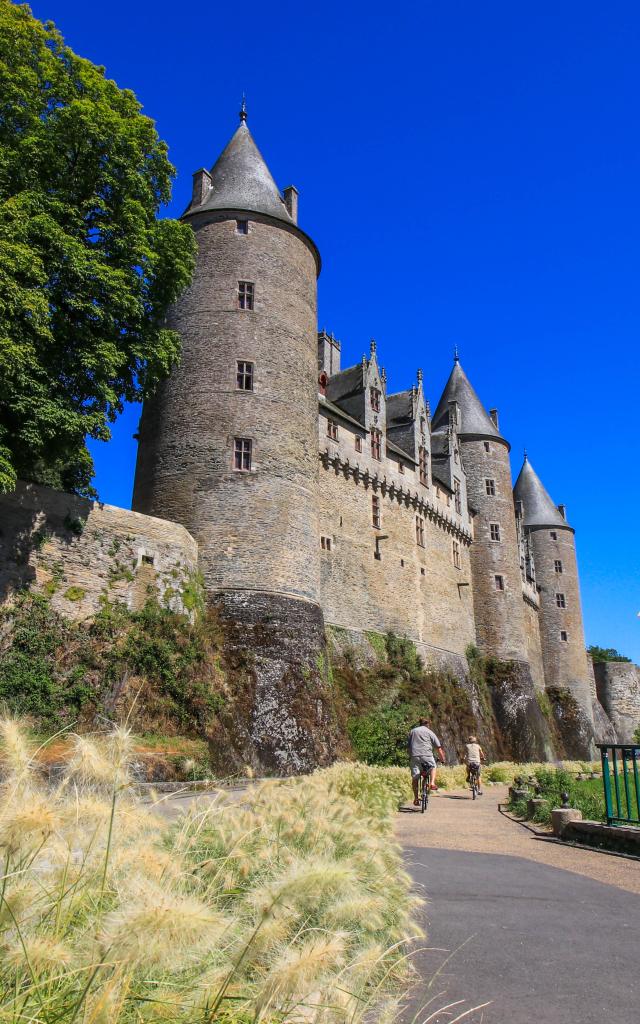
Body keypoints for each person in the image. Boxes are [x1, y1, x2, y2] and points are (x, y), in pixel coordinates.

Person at [408, 718, 446, 806]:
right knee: (433, 766)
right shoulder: (430, 732)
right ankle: (432, 783)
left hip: (415, 756)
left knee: (415, 778)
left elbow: (408, 747)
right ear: (428, 724)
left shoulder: (412, 731)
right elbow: (438, 748)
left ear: (420, 724)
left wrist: (411, 756)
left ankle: (416, 799)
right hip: (427, 756)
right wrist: (442, 759)